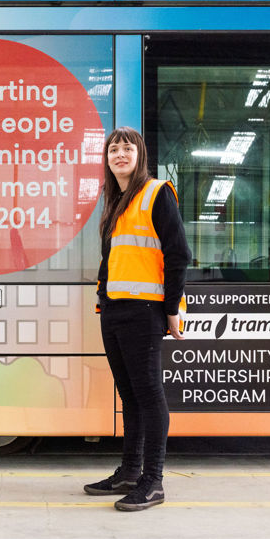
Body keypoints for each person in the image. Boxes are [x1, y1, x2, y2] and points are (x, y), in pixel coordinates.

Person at [84, 127, 190, 511]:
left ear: (140, 155)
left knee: (148, 393)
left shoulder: (156, 193)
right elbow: (114, 260)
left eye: (128, 147)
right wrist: (102, 297)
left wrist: (172, 308)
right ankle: (130, 471)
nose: (120, 153)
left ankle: (153, 480)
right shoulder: (116, 202)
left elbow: (178, 254)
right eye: (114, 148)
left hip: (145, 310)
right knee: (129, 394)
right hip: (114, 309)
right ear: (108, 160)